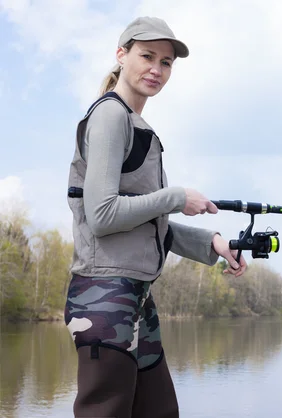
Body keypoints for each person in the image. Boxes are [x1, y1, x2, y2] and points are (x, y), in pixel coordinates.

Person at [64, 16, 247, 418]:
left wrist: (213, 243)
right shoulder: (111, 116)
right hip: (103, 298)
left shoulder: (135, 123)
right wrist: (176, 196)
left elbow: (144, 223)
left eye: (166, 62)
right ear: (121, 54)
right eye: (147, 56)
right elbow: (102, 215)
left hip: (135, 298)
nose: (156, 69)